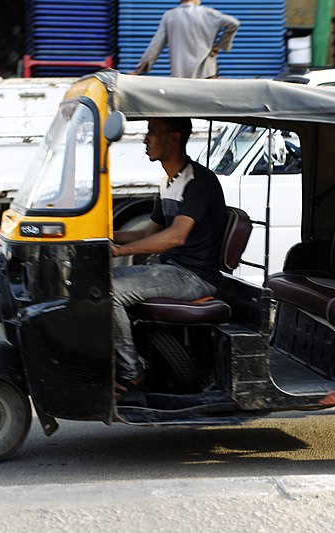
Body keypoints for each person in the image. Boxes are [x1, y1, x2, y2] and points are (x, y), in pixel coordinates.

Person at [111, 117, 227, 397]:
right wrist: (104, 237)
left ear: (174, 138)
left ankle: (132, 373)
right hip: (171, 270)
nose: (145, 139)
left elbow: (175, 236)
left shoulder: (198, 183)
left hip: (194, 277)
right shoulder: (168, 181)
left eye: (152, 132)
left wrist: (119, 251)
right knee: (97, 282)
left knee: (109, 292)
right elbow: (148, 233)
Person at [130, 0, 240, 79]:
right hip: (206, 72)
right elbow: (234, 23)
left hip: (180, 74)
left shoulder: (170, 15)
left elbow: (156, 45)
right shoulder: (209, 13)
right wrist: (219, 46)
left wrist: (138, 70)